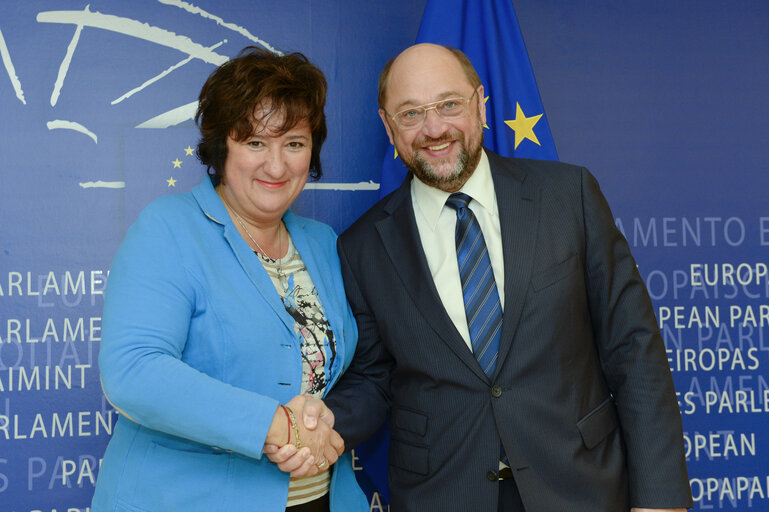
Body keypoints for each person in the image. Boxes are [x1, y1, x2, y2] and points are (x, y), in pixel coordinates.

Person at [274, 43, 694, 511]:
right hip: (444, 493)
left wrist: (662, 499)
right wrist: (321, 422)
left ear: (481, 105)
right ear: (388, 128)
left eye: (449, 105)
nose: (434, 129)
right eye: (411, 113)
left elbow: (634, 349)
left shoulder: (568, 196)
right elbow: (374, 379)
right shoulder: (362, 247)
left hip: (582, 486)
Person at [91, 47, 367, 512]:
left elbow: (342, 374)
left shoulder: (322, 243)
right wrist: (277, 425)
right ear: (222, 147)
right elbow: (133, 371)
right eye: (256, 142)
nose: (277, 166)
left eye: (294, 143)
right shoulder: (168, 228)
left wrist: (320, 421)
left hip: (321, 499)